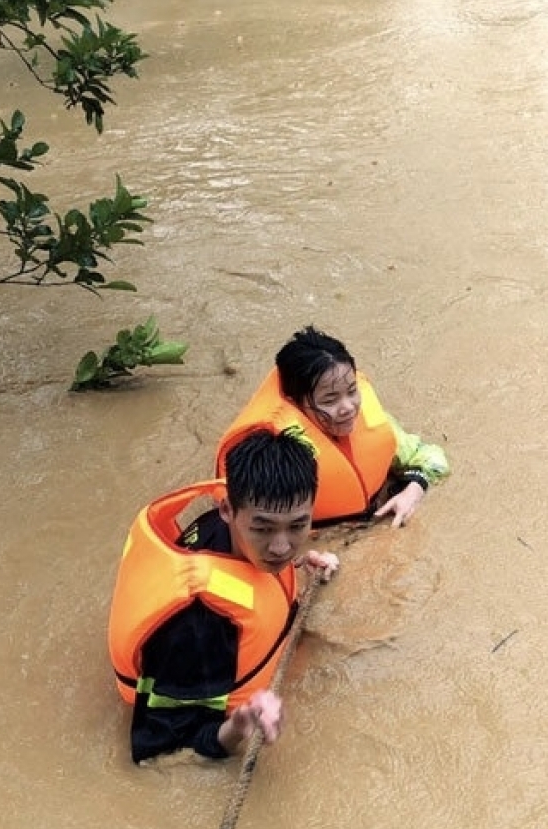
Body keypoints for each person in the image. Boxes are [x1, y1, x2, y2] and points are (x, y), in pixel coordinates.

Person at [107, 427, 339, 764]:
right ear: (227, 509)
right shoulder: (201, 626)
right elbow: (159, 752)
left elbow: (254, 574)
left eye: (298, 526)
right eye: (262, 528)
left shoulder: (231, 531)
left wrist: (301, 564)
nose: (281, 546)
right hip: (193, 668)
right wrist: (239, 725)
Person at [214, 326, 449, 530]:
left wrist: (414, 489)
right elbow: (248, 530)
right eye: (329, 400)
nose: (347, 408)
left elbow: (431, 457)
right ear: (296, 403)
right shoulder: (276, 452)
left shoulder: (366, 417)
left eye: (352, 391)